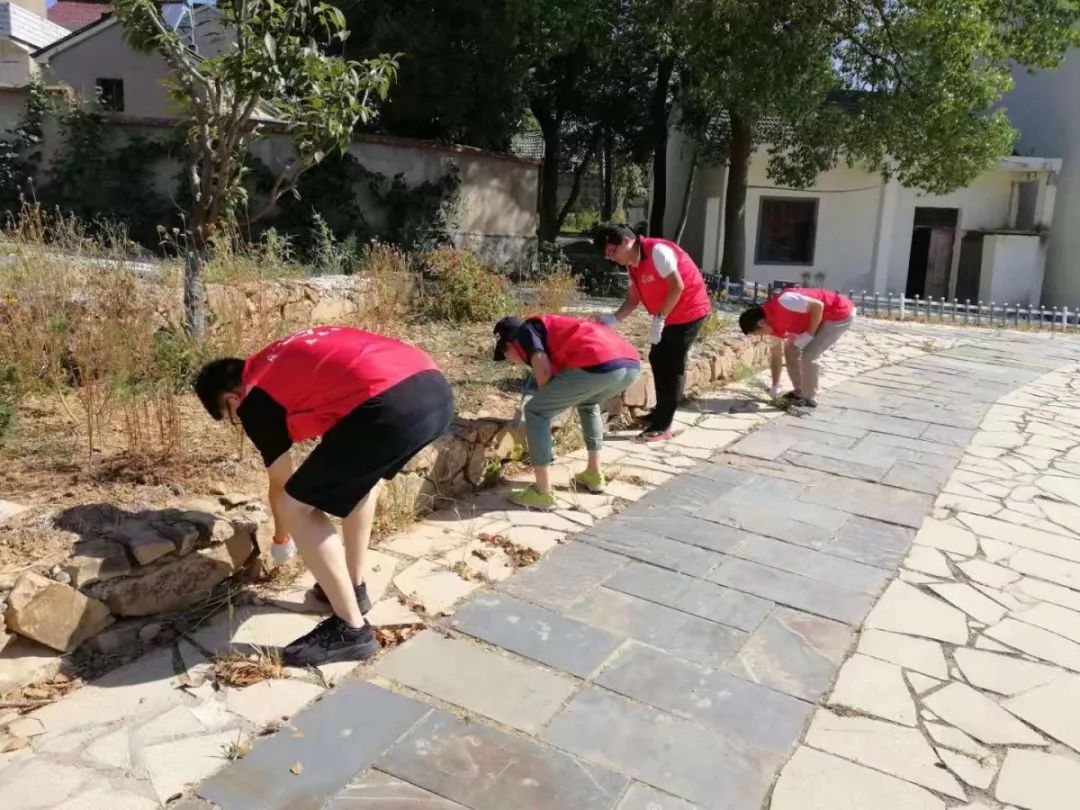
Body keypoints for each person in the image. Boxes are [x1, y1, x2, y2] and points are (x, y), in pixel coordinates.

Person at [194, 326, 453, 666]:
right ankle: (354, 590)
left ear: (231, 399)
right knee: (362, 479)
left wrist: (283, 537)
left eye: (229, 418)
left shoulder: (254, 397)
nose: (237, 421)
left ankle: (351, 630)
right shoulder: (277, 357)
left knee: (295, 507)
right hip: (435, 391)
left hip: (389, 406)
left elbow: (280, 483)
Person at [493, 314, 640, 510]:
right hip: (629, 364)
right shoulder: (551, 331)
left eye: (506, 356)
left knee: (535, 411)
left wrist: (543, 415)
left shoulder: (526, 331)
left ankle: (542, 492)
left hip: (599, 362)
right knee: (588, 404)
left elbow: (543, 373)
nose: (511, 362)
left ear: (510, 345)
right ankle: (593, 474)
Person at [592, 223, 712, 442]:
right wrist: (613, 318)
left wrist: (660, 317)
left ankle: (663, 425)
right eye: (607, 255)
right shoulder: (632, 264)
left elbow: (677, 286)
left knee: (673, 362)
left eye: (612, 251)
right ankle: (659, 413)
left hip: (690, 310)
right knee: (657, 357)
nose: (611, 258)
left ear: (627, 242)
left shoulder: (657, 252)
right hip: (667, 316)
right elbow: (633, 299)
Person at [738, 287, 856, 408]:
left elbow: (818, 306)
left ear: (760, 323)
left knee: (809, 355)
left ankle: (808, 397)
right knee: (790, 349)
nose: (762, 336)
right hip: (821, 317)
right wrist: (775, 385)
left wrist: (809, 335)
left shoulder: (785, 301)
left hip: (839, 313)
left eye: (758, 334)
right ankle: (800, 391)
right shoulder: (771, 328)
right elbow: (776, 357)